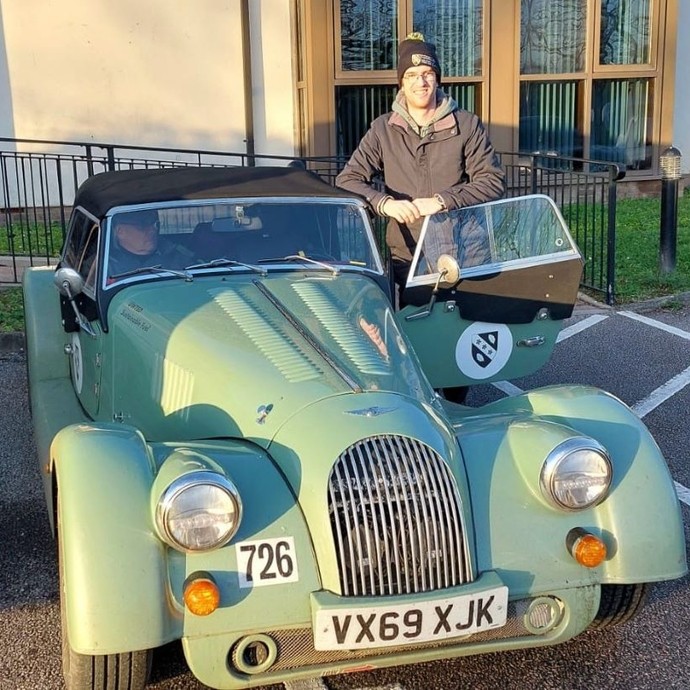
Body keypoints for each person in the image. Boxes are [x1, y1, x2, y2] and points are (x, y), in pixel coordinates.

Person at [336, 33, 506, 404]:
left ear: (438, 78)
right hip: (409, 254)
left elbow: (493, 181)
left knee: (458, 339)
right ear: (402, 82)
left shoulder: (465, 124)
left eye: (427, 72)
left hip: (462, 251)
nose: (421, 81)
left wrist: (444, 200)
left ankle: (457, 409)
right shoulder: (384, 128)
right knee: (418, 338)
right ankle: (426, 411)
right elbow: (348, 179)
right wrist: (384, 204)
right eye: (412, 76)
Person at [107, 209, 191, 279]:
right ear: (120, 231)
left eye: (155, 224)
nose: (152, 230)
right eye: (142, 226)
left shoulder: (178, 256)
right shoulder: (105, 264)